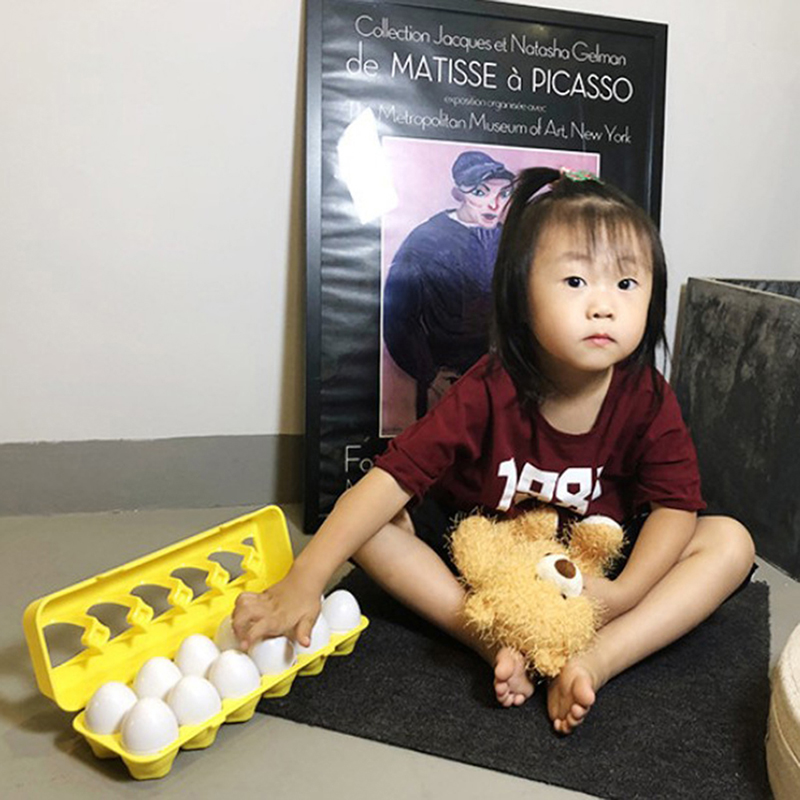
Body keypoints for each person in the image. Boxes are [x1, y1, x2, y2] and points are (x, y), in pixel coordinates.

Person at [234, 168, 756, 734]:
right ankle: (490, 637)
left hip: (593, 566)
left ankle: (598, 657)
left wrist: (623, 594)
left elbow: (674, 507)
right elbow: (391, 479)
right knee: (373, 525)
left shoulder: (647, 396)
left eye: (626, 283)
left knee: (729, 541)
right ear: (520, 294)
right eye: (575, 281)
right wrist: (305, 579)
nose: (604, 306)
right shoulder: (490, 386)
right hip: (486, 561)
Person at [383, 150, 514, 418]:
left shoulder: (510, 239)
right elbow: (398, 315)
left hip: (501, 376)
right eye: (480, 193)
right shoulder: (426, 241)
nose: (494, 205)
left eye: (503, 194)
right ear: (459, 194)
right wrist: (429, 373)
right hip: (446, 378)